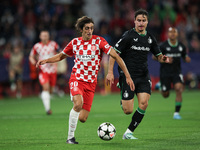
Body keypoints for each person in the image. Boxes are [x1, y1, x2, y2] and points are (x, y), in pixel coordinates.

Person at [36, 16, 134, 144]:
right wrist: (46, 60)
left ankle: (76, 99)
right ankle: (70, 138)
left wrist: (125, 75)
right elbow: (61, 56)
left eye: (92, 28)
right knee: (78, 104)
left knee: (82, 118)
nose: (90, 31)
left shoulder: (99, 41)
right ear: (81, 29)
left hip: (91, 83)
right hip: (77, 78)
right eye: (87, 28)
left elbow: (115, 55)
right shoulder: (75, 43)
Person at [106, 9, 169, 140]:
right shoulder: (128, 36)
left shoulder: (150, 38)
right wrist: (110, 72)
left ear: (147, 22)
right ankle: (122, 87)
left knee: (144, 103)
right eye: (139, 20)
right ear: (134, 21)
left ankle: (128, 132)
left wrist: (163, 58)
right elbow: (113, 53)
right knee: (127, 110)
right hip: (128, 76)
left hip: (143, 75)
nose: (141, 23)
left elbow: (158, 55)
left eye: (143, 20)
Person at [153, 27, 191, 119]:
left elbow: (185, 57)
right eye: (170, 32)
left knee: (178, 89)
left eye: (174, 32)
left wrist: (187, 59)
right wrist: (165, 59)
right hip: (165, 73)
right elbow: (154, 57)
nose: (172, 34)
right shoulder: (163, 46)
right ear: (168, 34)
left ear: (177, 34)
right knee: (166, 95)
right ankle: (161, 85)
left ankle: (176, 113)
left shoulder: (181, 46)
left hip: (177, 72)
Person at [29, 30, 60, 115]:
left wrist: (56, 61)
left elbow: (60, 53)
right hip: (43, 70)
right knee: (45, 88)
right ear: (40, 37)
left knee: (50, 91)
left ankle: (47, 97)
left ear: (48, 36)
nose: (45, 37)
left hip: (53, 70)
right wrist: (33, 62)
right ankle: (48, 109)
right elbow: (31, 56)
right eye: (43, 35)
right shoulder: (37, 46)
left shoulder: (53, 44)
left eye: (46, 35)